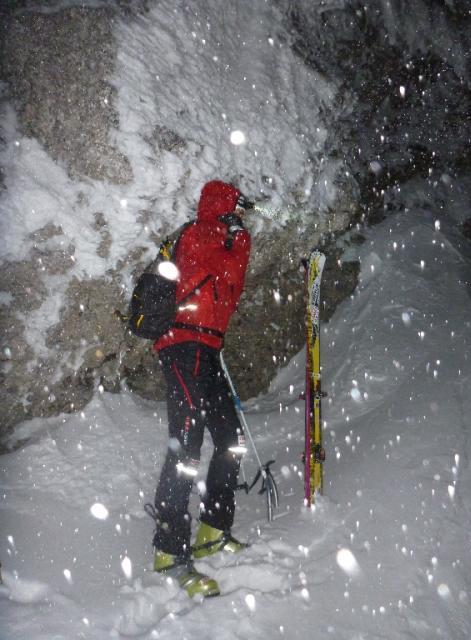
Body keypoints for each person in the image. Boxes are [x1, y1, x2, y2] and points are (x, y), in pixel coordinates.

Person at [151, 180, 254, 598]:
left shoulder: (228, 243)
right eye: (236, 209)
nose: (241, 217)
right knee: (187, 444)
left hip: (208, 349)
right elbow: (210, 264)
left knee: (231, 439)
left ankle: (213, 528)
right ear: (222, 208)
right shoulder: (196, 234)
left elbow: (230, 289)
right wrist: (229, 227)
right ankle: (169, 551)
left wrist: (240, 237)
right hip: (180, 345)